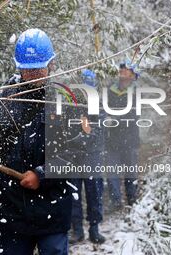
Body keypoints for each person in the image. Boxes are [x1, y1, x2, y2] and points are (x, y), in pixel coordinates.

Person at [0, 28, 72, 255]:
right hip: (12, 209)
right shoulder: (3, 98)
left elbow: (74, 154)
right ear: (18, 66)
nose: (32, 75)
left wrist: (41, 174)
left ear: (51, 64)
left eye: (37, 69)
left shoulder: (64, 101)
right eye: (26, 70)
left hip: (52, 207)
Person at [69, 70, 106, 244]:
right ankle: (77, 230)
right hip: (74, 156)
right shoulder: (72, 104)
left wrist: (84, 136)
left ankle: (94, 228)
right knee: (73, 192)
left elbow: (98, 130)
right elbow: (66, 128)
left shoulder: (99, 105)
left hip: (93, 155)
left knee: (94, 192)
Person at [105, 61, 140, 210]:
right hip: (112, 139)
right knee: (112, 172)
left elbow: (135, 113)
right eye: (122, 70)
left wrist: (115, 118)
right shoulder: (110, 90)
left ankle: (132, 200)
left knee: (130, 171)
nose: (122, 72)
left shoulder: (136, 92)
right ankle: (116, 201)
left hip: (130, 137)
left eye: (126, 70)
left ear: (133, 75)